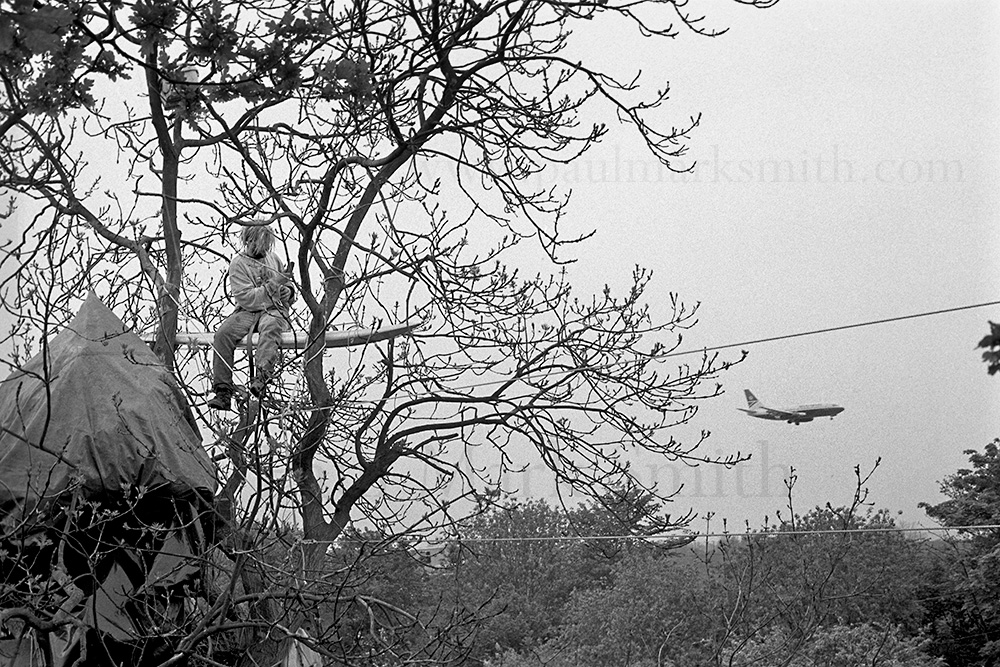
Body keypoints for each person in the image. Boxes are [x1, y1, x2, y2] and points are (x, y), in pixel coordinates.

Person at [208, 225, 295, 411]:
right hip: (247, 311)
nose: (263, 250)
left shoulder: (273, 259)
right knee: (223, 335)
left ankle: (262, 376)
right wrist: (274, 285)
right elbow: (247, 298)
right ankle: (223, 391)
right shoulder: (238, 264)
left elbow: (288, 284)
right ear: (248, 241)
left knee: (271, 326)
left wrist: (288, 291)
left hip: (274, 308)